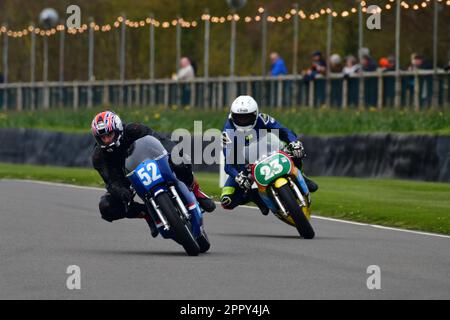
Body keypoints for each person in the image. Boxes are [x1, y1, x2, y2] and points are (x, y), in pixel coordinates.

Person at [91, 111, 215, 238]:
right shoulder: (98, 156)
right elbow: (111, 182)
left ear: (118, 129)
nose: (106, 140)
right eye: (102, 137)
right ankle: (147, 214)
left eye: (109, 134)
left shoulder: (133, 129)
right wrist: (122, 191)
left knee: (179, 160)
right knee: (106, 206)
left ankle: (195, 190)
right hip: (125, 178)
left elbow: (159, 139)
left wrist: (173, 153)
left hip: (150, 160)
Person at [220, 95, 318, 215]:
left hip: (269, 151)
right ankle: (254, 196)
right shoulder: (227, 132)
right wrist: (238, 176)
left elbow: (283, 130)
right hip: (244, 165)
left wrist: (294, 142)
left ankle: (301, 176)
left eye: (247, 117)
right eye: (239, 118)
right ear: (232, 115)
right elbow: (228, 165)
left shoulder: (263, 118)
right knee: (226, 200)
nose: (243, 121)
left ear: (255, 114)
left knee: (296, 150)